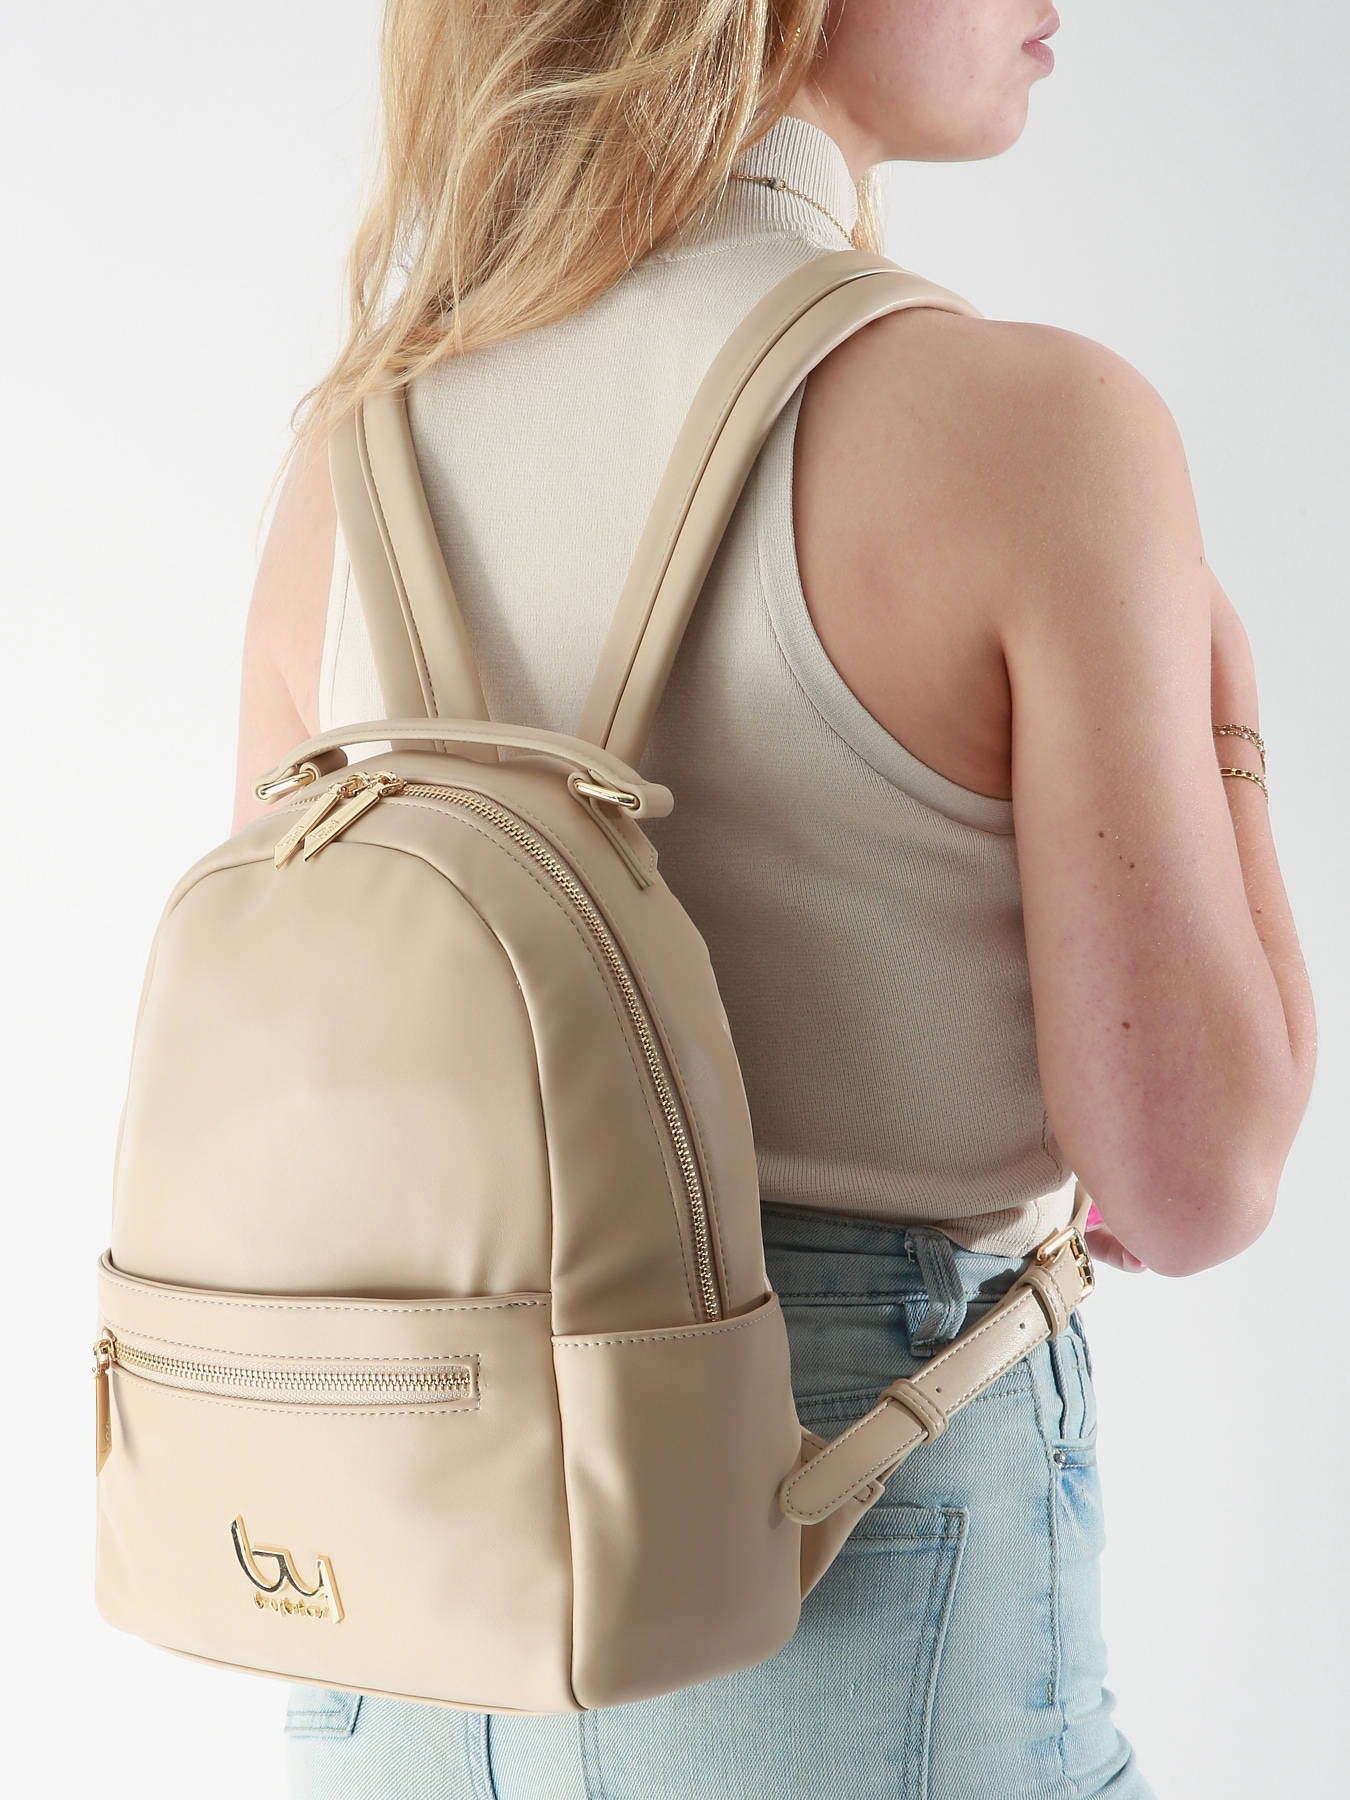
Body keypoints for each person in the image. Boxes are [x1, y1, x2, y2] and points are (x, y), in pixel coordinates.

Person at [235, 4, 1316, 1795]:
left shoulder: (353, 457)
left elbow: (295, 1076)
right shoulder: (1033, 428)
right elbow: (1190, 1180)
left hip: (396, 1564)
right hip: (833, 1518)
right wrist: (1223, 710)